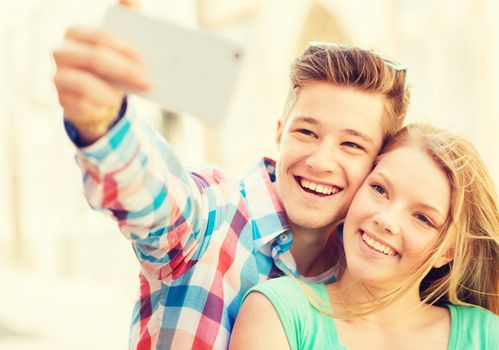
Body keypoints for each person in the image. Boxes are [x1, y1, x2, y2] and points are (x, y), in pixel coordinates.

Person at [52, 3, 409, 349]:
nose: (321, 161)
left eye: (351, 144)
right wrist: (102, 124)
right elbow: (156, 194)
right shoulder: (212, 215)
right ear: (280, 134)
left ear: (377, 163)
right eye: (307, 133)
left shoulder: (360, 268)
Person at [230, 123, 499, 350]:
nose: (386, 220)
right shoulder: (279, 311)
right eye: (380, 189)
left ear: (447, 252)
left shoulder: (485, 335)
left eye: (422, 218)